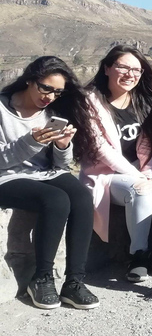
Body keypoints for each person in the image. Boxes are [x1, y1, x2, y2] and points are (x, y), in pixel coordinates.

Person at [0, 56, 100, 309]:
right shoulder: (2, 109)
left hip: (44, 173)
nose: (50, 97)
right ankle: (41, 278)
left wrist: (62, 146)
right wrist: (31, 142)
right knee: (55, 200)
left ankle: (74, 281)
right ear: (29, 80)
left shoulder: (52, 113)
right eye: (45, 88)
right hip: (7, 177)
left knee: (80, 196)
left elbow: (59, 166)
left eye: (57, 92)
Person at [79, 45, 152, 283]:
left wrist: (146, 168)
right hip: (106, 172)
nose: (130, 74)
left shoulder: (143, 101)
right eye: (122, 67)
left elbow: (149, 144)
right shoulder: (90, 101)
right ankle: (139, 255)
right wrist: (137, 174)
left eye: (136, 69)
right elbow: (99, 148)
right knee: (142, 188)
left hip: (144, 162)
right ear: (107, 68)